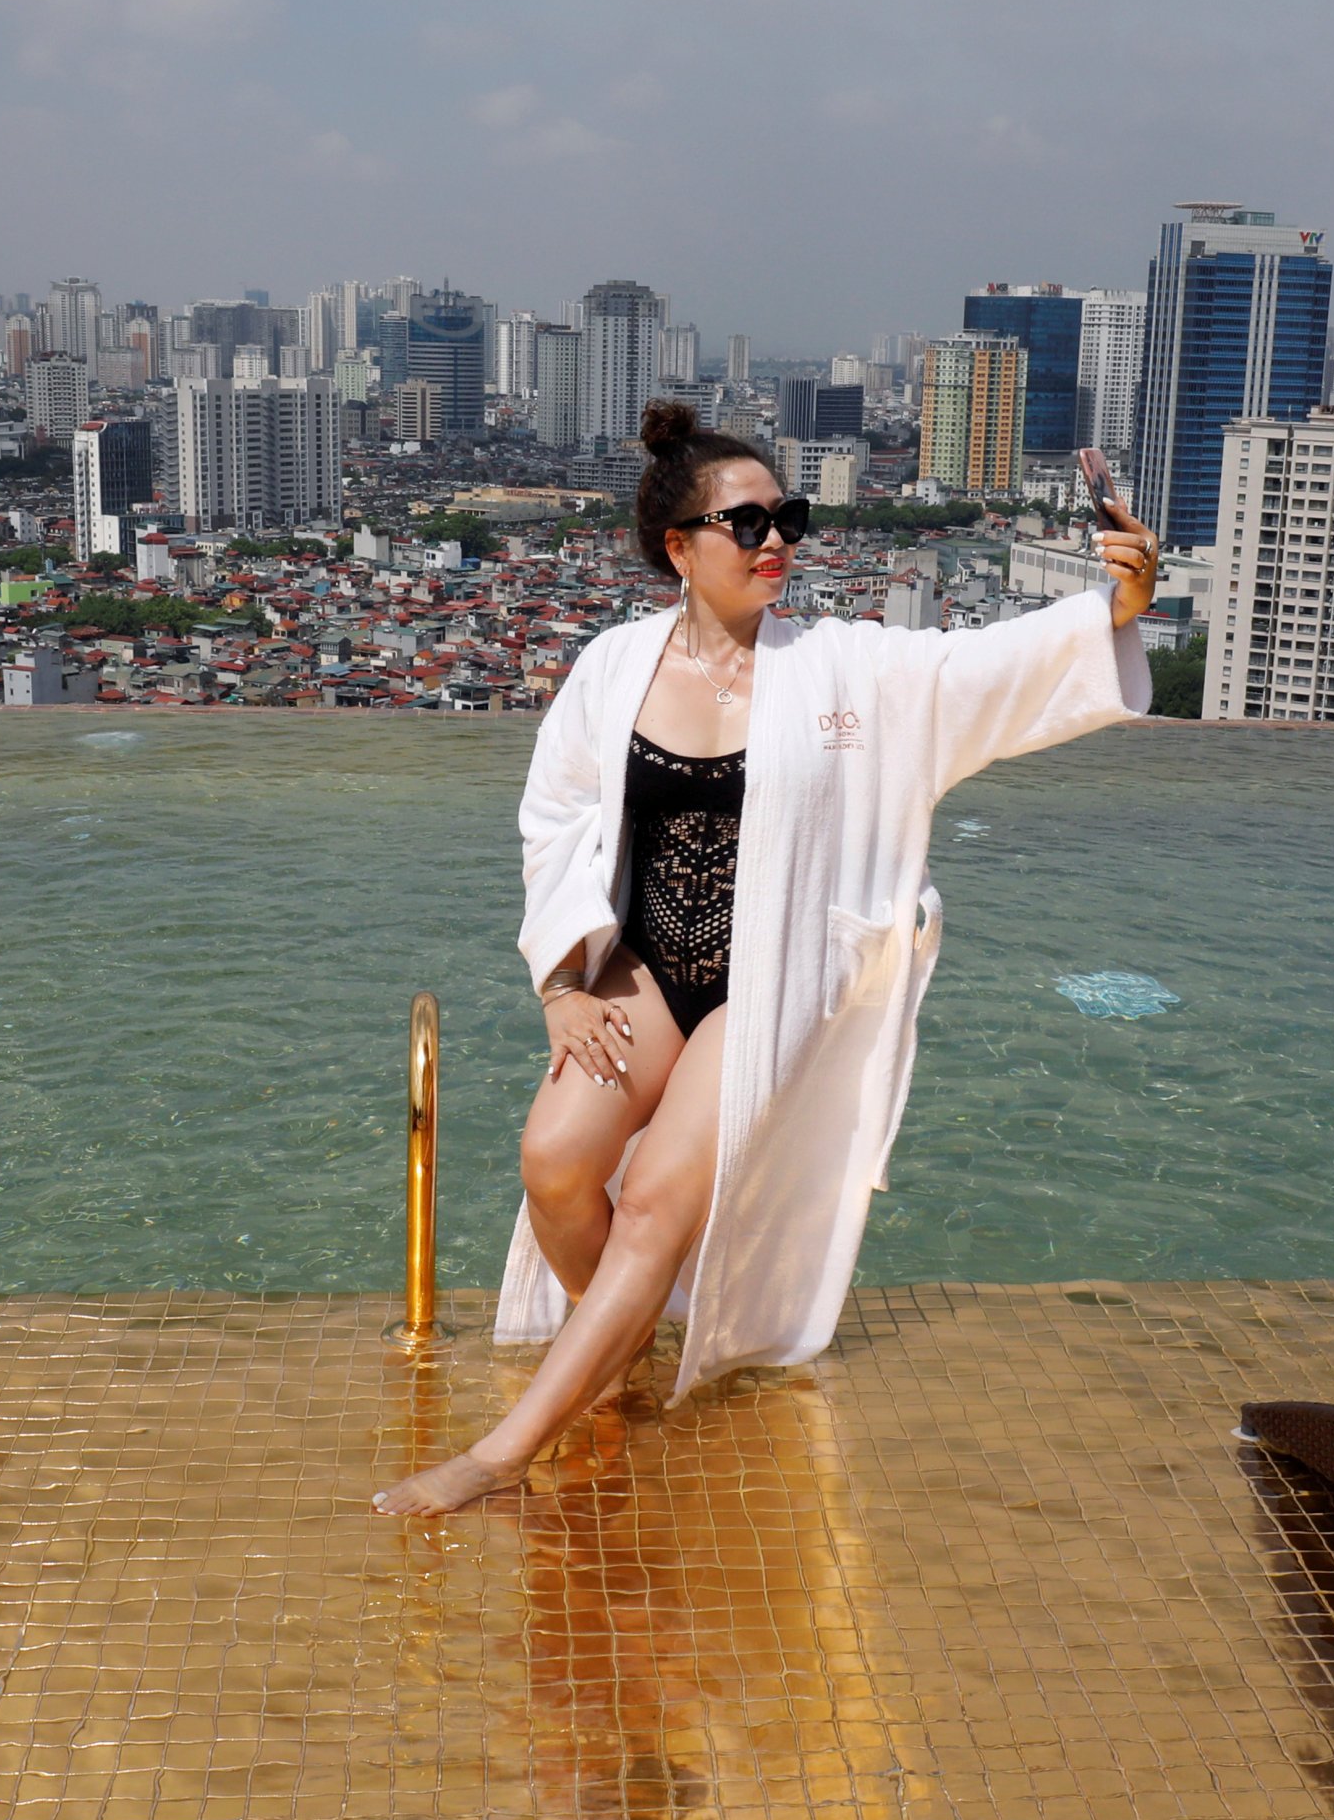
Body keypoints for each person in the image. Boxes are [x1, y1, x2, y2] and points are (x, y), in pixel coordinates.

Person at [374, 401, 1162, 1515]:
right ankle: (611, 1350)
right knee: (554, 1161)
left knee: (649, 1200)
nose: (774, 540)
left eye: (784, 516)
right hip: (646, 965)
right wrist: (559, 985)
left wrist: (1118, 600)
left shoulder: (846, 667)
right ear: (677, 547)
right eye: (744, 523)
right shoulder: (612, 668)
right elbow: (552, 821)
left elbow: (984, 668)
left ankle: (506, 1449)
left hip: (770, 981)